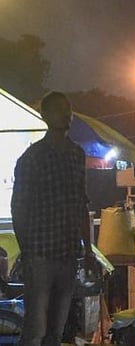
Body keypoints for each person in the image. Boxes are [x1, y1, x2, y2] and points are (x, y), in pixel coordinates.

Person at [12, 91, 96, 346]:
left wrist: (88, 250)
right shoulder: (32, 157)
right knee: (36, 328)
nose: (66, 113)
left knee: (57, 329)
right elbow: (19, 205)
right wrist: (26, 249)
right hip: (40, 251)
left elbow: (81, 202)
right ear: (44, 116)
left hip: (68, 251)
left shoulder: (76, 154)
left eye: (68, 108)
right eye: (59, 109)